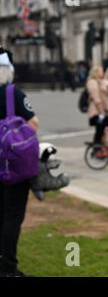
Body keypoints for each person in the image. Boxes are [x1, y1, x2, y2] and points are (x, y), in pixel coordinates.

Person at [0, 48, 39, 277]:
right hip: (12, 164)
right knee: (13, 215)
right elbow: (33, 124)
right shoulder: (12, 93)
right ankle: (8, 267)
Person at [86, 65, 108, 144]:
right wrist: (101, 112)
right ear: (96, 72)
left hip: (102, 111)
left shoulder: (100, 81)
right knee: (100, 129)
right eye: (101, 71)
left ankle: (102, 146)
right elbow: (96, 98)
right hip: (96, 112)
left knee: (104, 128)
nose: (102, 73)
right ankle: (96, 146)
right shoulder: (92, 82)